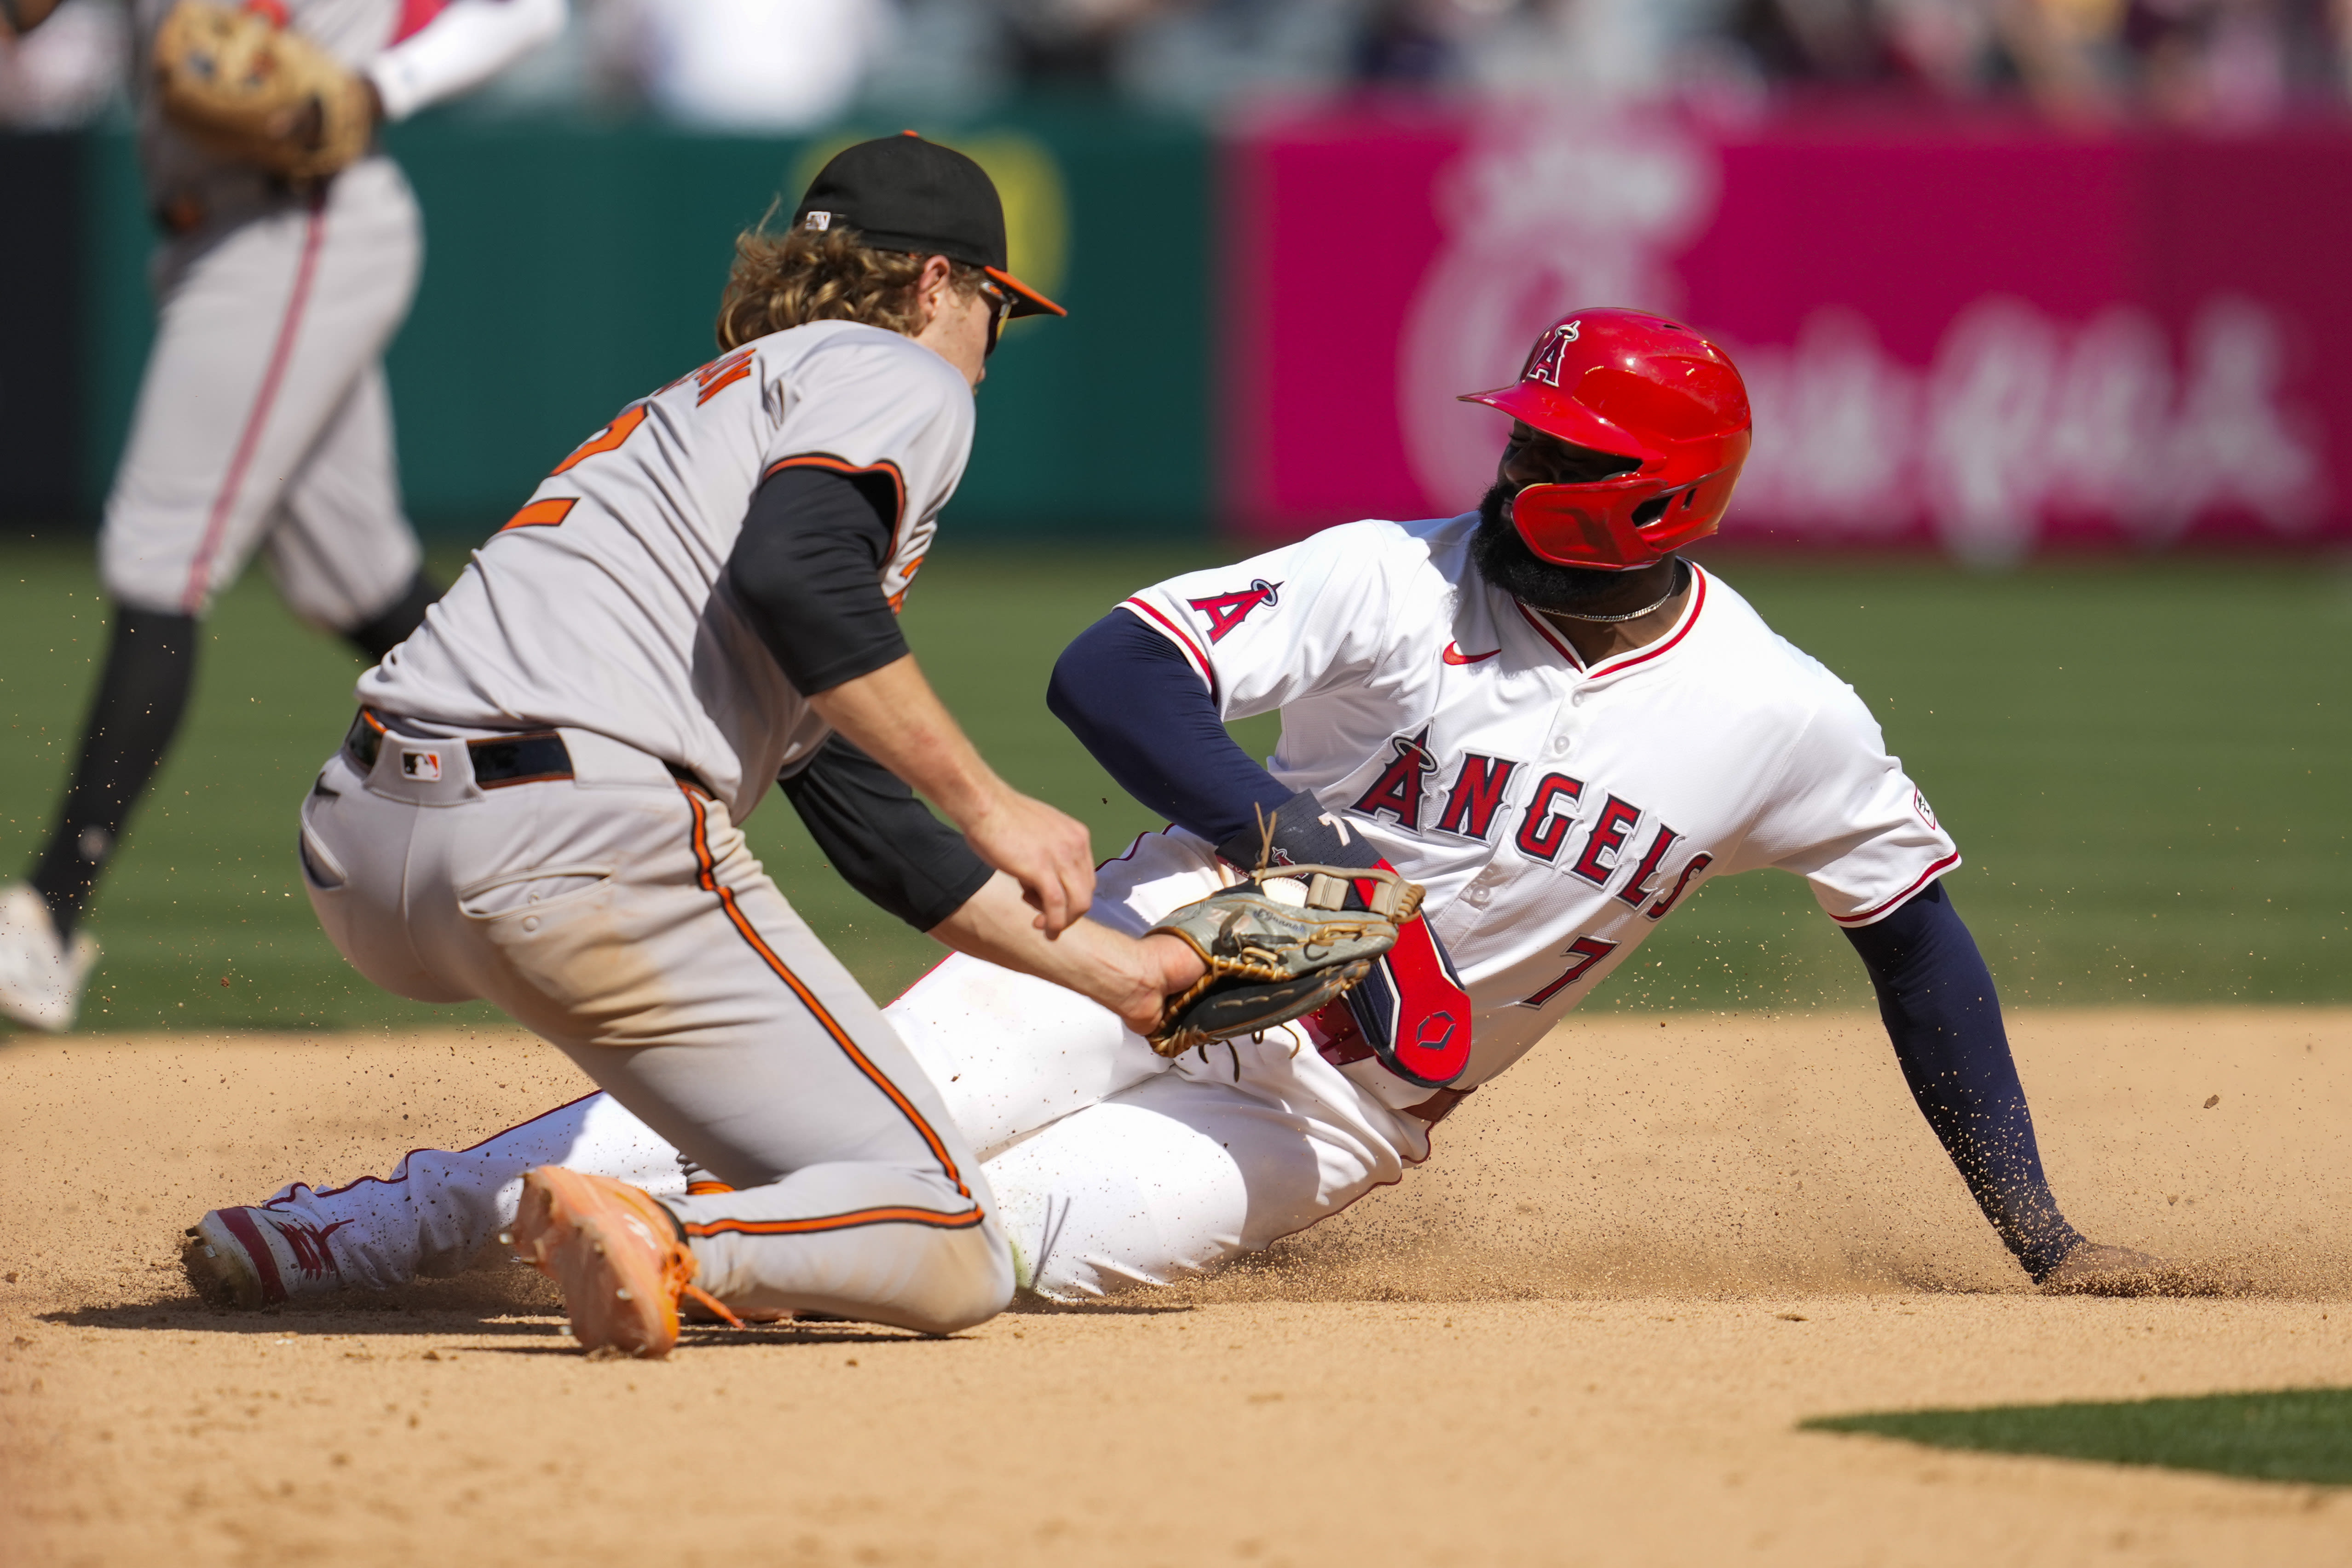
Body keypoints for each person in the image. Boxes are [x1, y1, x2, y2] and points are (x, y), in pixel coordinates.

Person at [186, 308, 2170, 1313]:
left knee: (1009, 1246)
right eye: (1531, 426)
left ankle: (663, 1255)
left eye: (1564, 448)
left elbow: (1916, 939)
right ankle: (383, 1224)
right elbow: (1111, 673)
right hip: (1156, 954)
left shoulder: (1783, 717)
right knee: (867, 1092)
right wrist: (1299, 856)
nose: (1517, 462)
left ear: (1654, 499)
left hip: (1335, 1108)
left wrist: (2041, 1235)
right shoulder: (1399, 571)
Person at [188, 133, 1213, 1356]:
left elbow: (862, 819)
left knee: (826, 1146)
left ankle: (334, 1239)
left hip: (365, 847)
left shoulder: (703, 419)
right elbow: (801, 573)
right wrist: (992, 799)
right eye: (997, 307)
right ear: (937, 284)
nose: (993, 348)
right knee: (950, 1236)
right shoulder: (902, 374)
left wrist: (1116, 974)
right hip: (564, 845)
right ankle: (668, 1234)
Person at [0, 0, 573, 1032]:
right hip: (219, 232)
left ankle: (46, 913)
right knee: (352, 582)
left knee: (159, 553)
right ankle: (595, 766)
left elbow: (526, 12)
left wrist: (379, 87)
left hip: (298, 223)